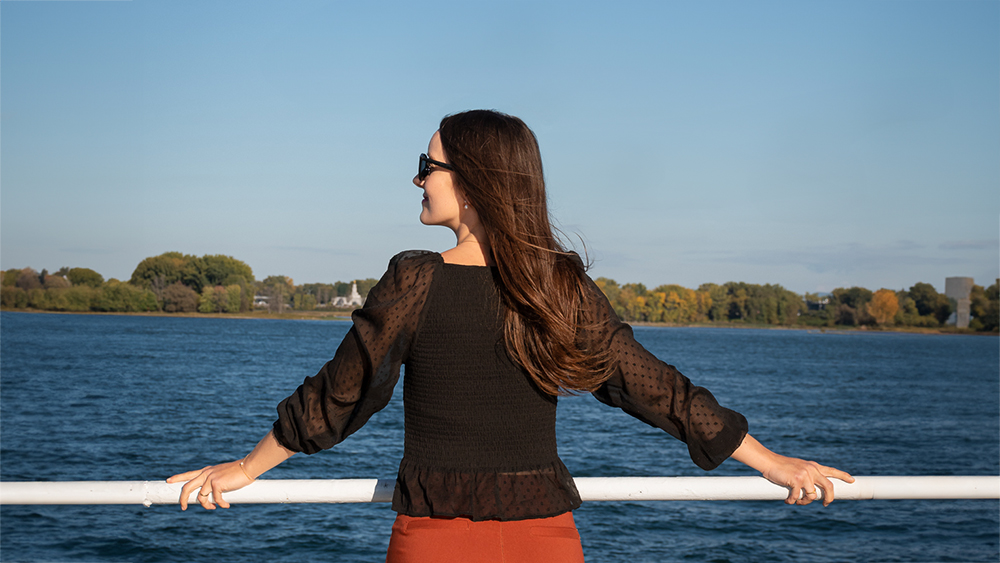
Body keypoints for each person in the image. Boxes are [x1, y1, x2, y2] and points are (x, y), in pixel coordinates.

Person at [168, 110, 854, 562]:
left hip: (434, 540)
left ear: (470, 182)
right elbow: (653, 386)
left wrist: (245, 467)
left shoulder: (415, 280)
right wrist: (771, 462)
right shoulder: (555, 283)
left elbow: (342, 394)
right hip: (545, 540)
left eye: (428, 165)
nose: (417, 177)